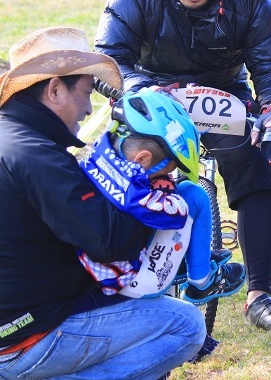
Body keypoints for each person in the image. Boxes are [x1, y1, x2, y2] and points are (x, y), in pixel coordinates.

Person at [0, 27, 206, 380]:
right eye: (84, 93)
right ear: (55, 89)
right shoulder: (38, 157)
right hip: (24, 339)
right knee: (186, 326)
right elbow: (113, 243)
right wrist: (151, 201)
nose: (87, 109)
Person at [94, 0, 271, 332]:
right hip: (150, 92)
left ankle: (260, 294)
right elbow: (109, 57)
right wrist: (138, 90)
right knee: (129, 175)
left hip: (222, 91)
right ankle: (122, 281)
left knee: (254, 165)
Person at [77, 88, 246, 303]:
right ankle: (203, 282)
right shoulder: (133, 196)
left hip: (96, 270)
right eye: (165, 172)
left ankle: (193, 258)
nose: (167, 177)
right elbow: (175, 214)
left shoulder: (99, 153)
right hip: (129, 282)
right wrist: (168, 189)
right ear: (142, 158)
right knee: (194, 197)